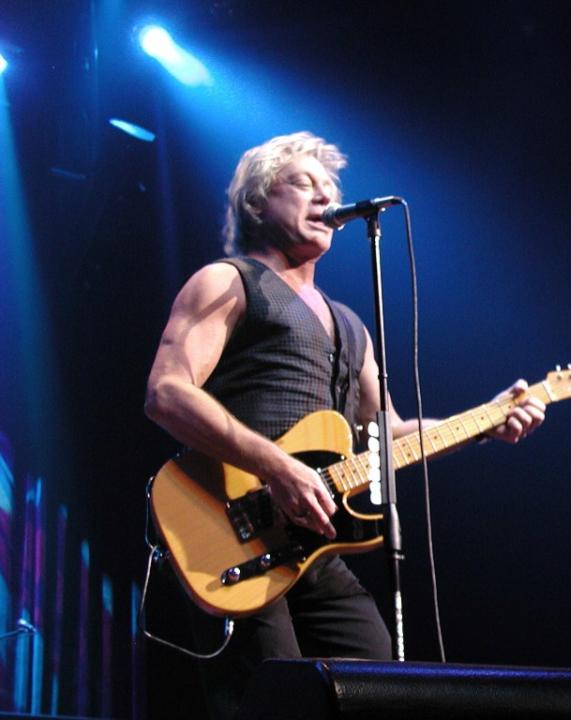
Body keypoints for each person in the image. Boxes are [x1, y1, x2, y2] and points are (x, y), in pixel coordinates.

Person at [144, 132, 546, 719]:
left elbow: (389, 433)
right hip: (230, 526)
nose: (325, 197)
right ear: (257, 203)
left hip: (312, 543)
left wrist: (485, 421)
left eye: (331, 188)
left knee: (378, 688)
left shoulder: (350, 325)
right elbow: (166, 392)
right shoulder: (228, 282)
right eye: (303, 184)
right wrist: (274, 465)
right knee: (271, 701)